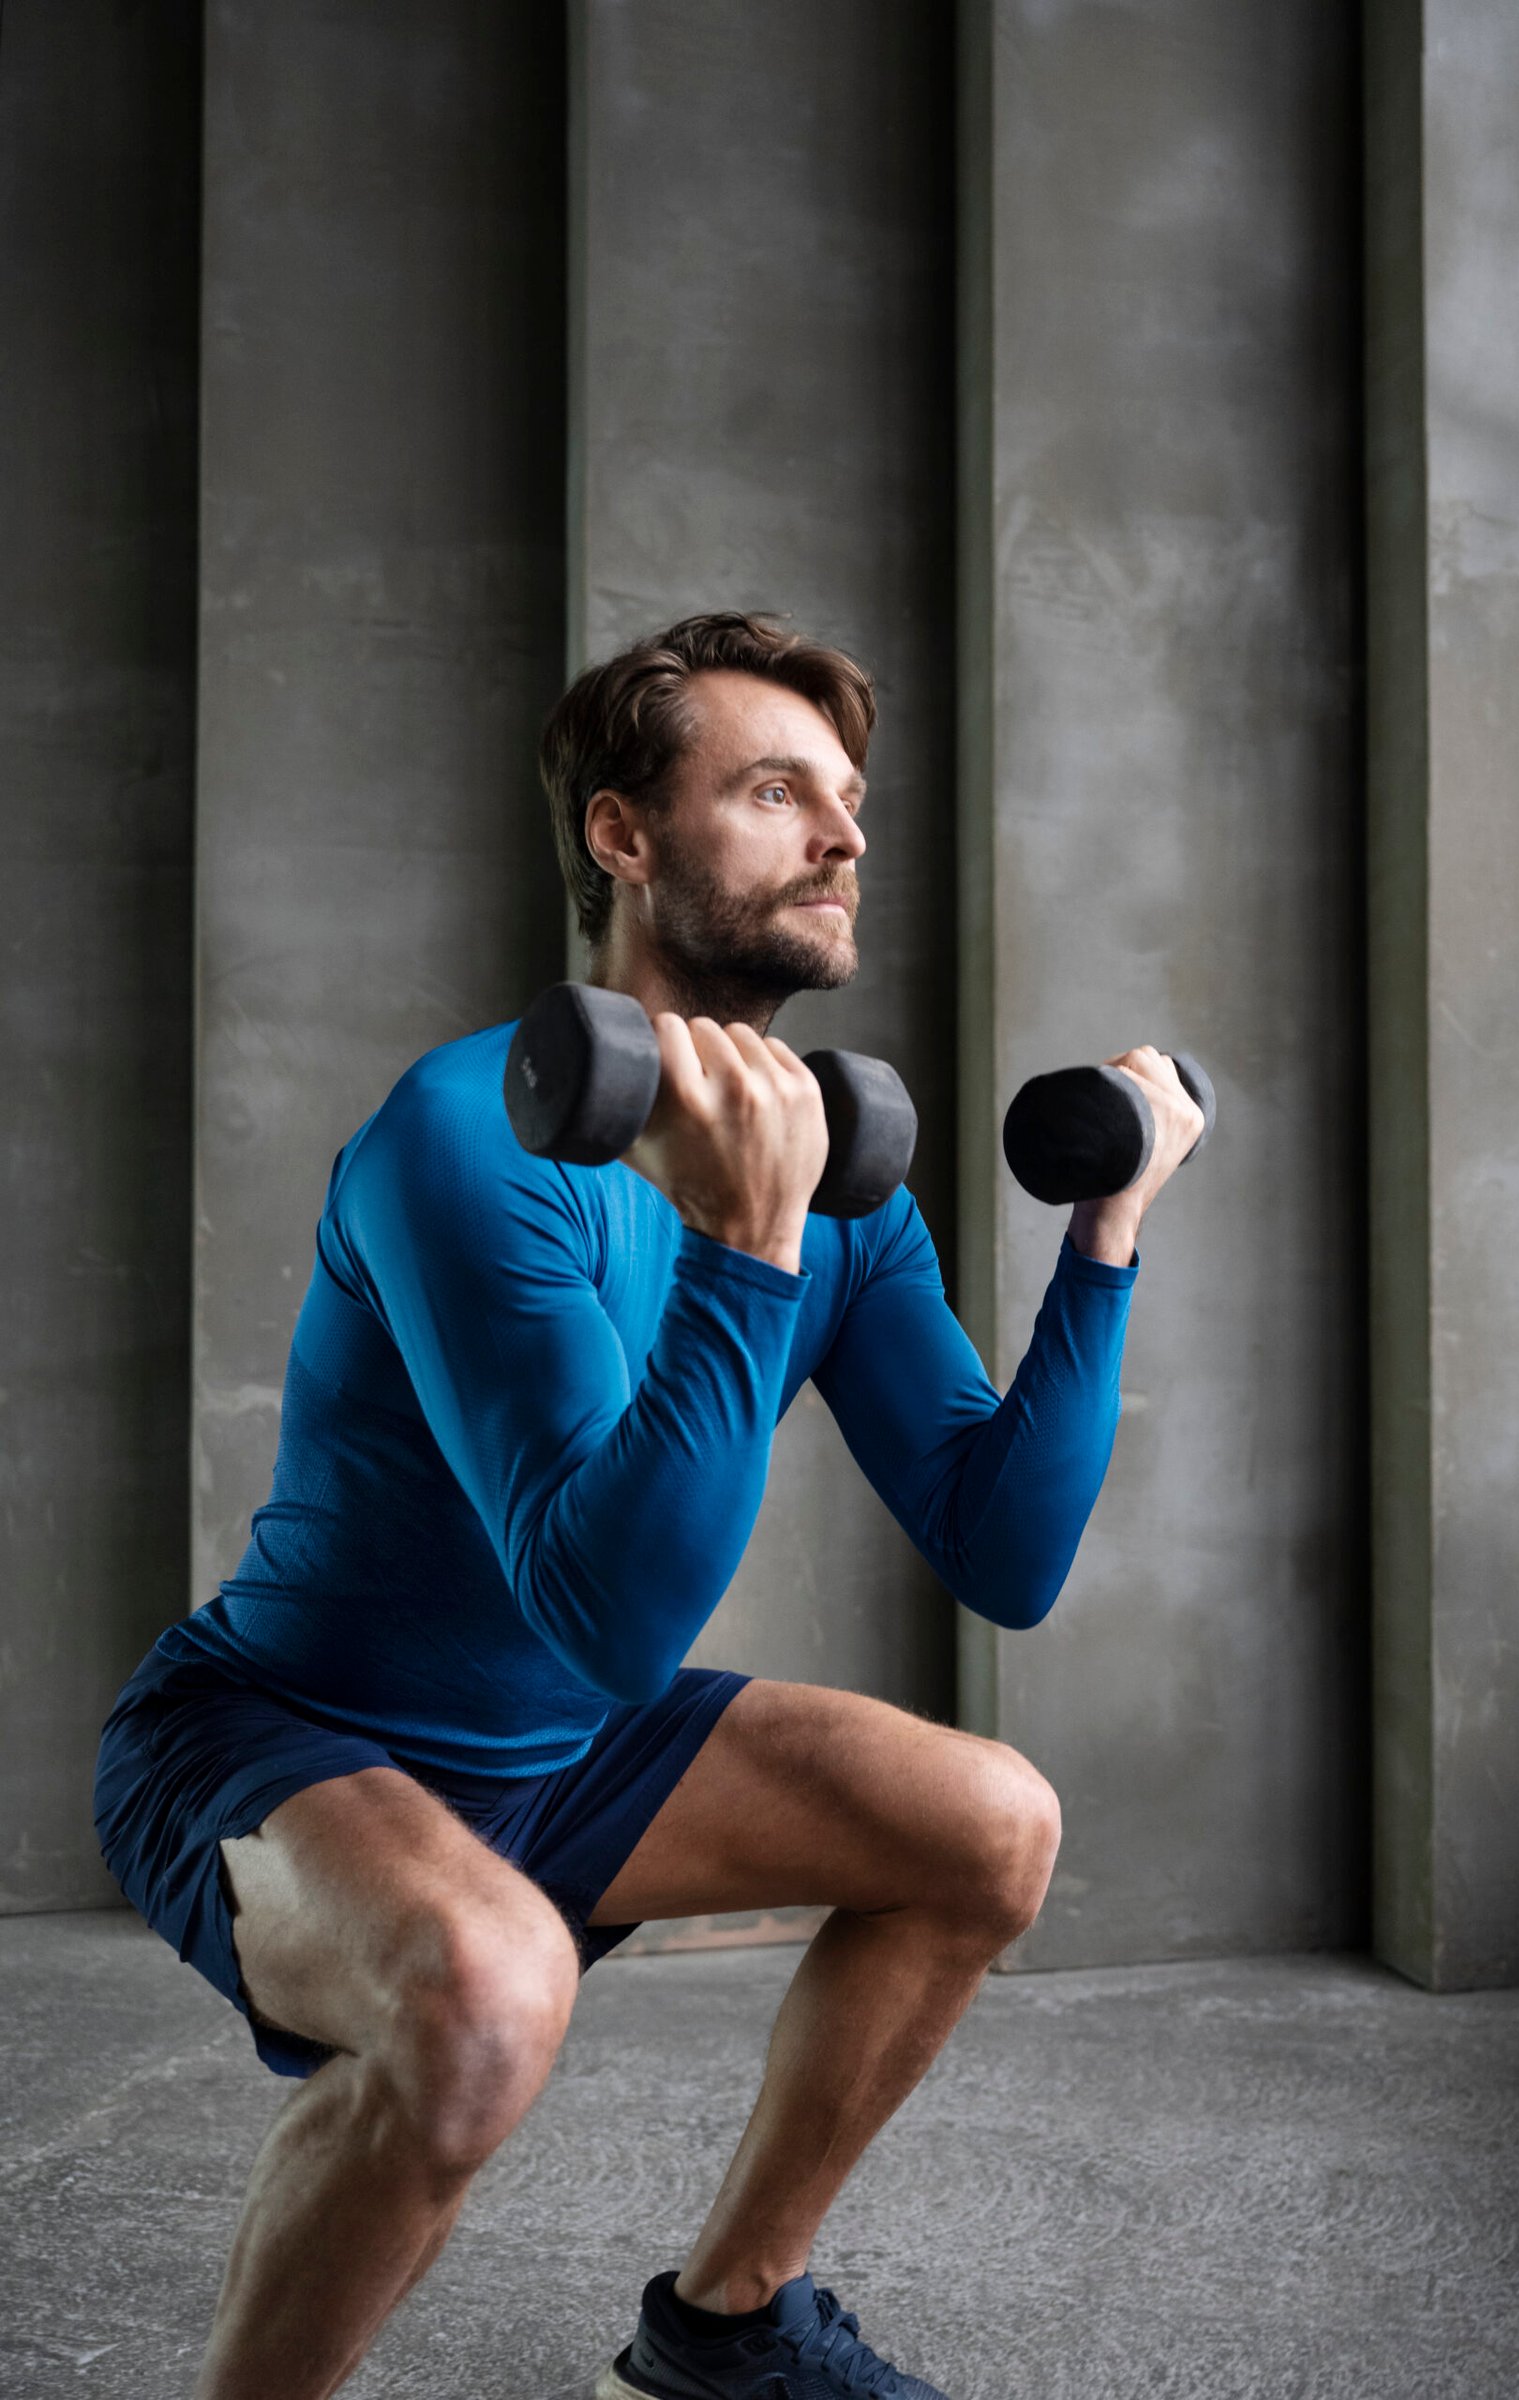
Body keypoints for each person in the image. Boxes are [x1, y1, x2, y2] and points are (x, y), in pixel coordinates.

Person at [95, 610, 1202, 2400]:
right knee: (487, 2002)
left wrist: (1107, 1236)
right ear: (623, 835)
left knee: (990, 1823)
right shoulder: (473, 1136)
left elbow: (1007, 1555)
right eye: (777, 792)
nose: (845, 837)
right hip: (282, 1739)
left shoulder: (838, 1188)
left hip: (569, 1752)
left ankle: (725, 2332)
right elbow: (599, 1607)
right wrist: (746, 1246)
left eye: (848, 800)